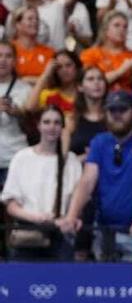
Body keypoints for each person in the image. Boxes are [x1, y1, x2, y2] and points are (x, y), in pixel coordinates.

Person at [60, 91, 132, 261]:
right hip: (104, 233)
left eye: (122, 109)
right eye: (112, 110)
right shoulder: (100, 142)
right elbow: (87, 180)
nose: (117, 114)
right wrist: (72, 215)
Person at [1, 105, 81, 260]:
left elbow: (77, 199)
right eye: (47, 122)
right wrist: (36, 218)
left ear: (62, 127)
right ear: (38, 125)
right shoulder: (22, 158)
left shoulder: (71, 161)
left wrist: (71, 218)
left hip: (61, 235)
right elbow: (10, 204)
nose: (52, 127)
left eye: (57, 123)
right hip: (27, 234)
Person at [80, 11, 132, 92]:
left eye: (125, 27)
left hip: (128, 100)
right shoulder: (89, 54)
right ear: (105, 30)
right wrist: (122, 70)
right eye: (116, 25)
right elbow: (90, 83)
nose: (122, 29)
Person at [0, 41, 32, 187]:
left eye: (8, 56)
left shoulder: (25, 89)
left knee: (13, 207)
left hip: (15, 156)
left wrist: (18, 113)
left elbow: (33, 126)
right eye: (0, 55)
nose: (3, 60)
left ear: (14, 61)